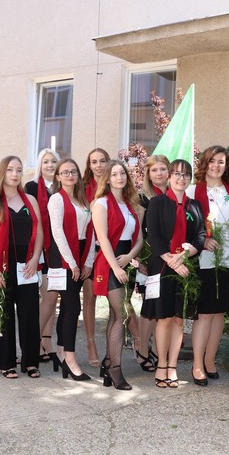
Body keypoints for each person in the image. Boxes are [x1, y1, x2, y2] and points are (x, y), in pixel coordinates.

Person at [141, 159, 205, 388]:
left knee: (179, 319)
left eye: (185, 174)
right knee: (164, 318)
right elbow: (153, 235)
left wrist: (185, 255)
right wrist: (173, 261)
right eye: (176, 174)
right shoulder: (157, 203)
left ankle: (172, 366)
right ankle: (161, 365)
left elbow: (200, 236)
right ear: (169, 177)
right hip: (162, 266)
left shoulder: (195, 206)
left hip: (186, 269)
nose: (181, 178)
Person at [185, 146, 229, 386]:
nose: (216, 166)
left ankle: (210, 360)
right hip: (204, 259)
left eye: (221, 162)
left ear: (226, 165)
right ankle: (197, 364)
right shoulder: (193, 190)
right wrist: (203, 240)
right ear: (205, 163)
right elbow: (185, 224)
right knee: (205, 312)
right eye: (212, 161)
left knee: (219, 311)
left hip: (228, 258)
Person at [0, 155, 43, 379]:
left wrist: (35, 259)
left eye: (19, 170)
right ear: (2, 172)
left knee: (29, 313)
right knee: (3, 313)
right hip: (1, 264)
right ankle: (6, 362)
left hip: (27, 265)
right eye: (10, 170)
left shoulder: (30, 200)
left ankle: (30, 361)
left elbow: (40, 233)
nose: (15, 174)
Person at [92, 160, 144, 390]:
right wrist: (116, 267)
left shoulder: (131, 205)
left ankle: (107, 363)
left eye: (122, 173)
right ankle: (115, 370)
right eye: (114, 174)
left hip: (126, 262)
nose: (119, 177)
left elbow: (139, 239)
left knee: (116, 316)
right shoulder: (101, 203)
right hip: (109, 263)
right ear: (107, 179)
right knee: (121, 314)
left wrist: (130, 257)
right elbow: (102, 238)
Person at [47, 158, 96, 380]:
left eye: (73, 171)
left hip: (80, 253)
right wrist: (72, 263)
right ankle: (70, 359)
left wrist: (88, 261)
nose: (69, 175)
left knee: (68, 307)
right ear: (58, 177)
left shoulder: (82, 200)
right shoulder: (56, 199)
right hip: (63, 257)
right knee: (73, 307)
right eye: (65, 172)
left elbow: (91, 232)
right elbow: (57, 233)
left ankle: (60, 351)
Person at [26, 148, 61, 371]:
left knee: (53, 296)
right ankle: (33, 341)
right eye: (46, 161)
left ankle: (45, 341)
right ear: (40, 165)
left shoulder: (63, 186)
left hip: (59, 248)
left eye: (53, 161)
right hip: (40, 247)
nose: (50, 165)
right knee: (48, 296)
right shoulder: (31, 187)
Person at [136, 154, 170, 373]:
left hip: (170, 258)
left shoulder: (175, 194)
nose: (159, 173)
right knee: (149, 305)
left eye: (162, 169)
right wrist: (139, 259)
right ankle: (142, 349)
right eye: (154, 170)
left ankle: (158, 350)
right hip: (149, 258)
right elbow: (137, 230)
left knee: (163, 306)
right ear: (148, 174)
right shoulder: (142, 198)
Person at [81, 147, 110, 367]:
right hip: (90, 250)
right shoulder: (82, 190)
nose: (98, 165)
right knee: (90, 297)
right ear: (89, 166)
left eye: (102, 161)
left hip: (113, 250)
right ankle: (91, 344)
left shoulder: (115, 185)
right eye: (94, 162)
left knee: (119, 300)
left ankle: (136, 341)